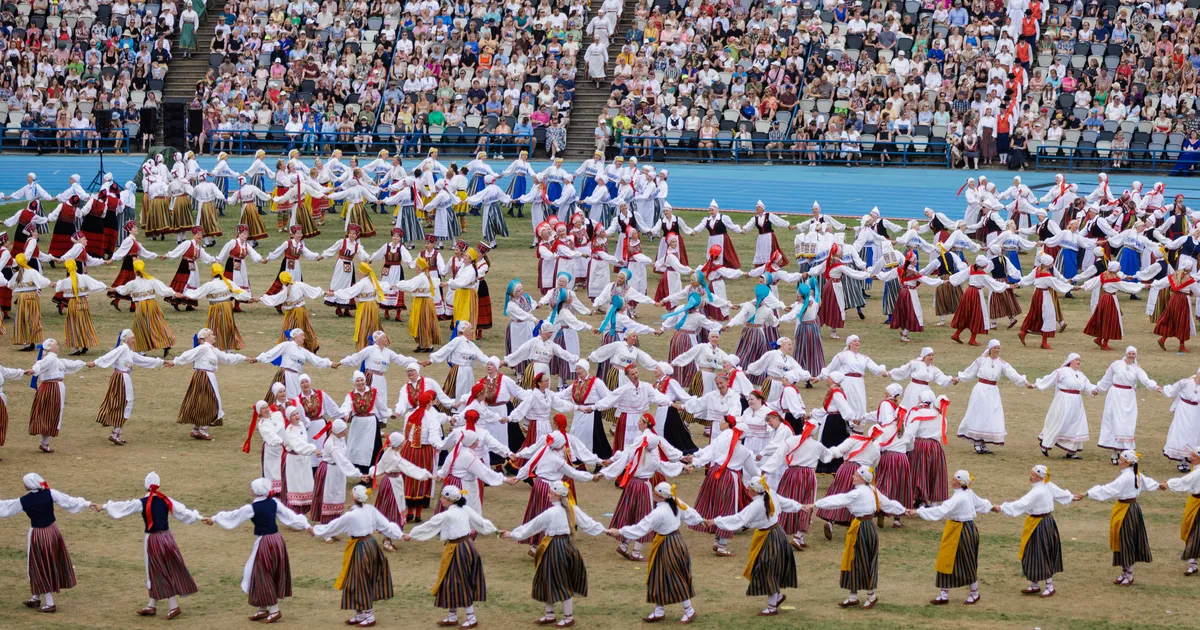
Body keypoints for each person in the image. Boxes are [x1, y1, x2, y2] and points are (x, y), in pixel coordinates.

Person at [204, 478, 312, 623]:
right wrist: (306, 526)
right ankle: (262, 608)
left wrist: (214, 518)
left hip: (266, 542)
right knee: (262, 572)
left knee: (263, 574)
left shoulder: (252, 508)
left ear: (255, 491)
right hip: (277, 540)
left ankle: (274, 610)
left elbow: (233, 516)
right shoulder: (273, 502)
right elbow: (290, 516)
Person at [499, 479, 605, 627]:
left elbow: (531, 527)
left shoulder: (552, 512)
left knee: (559, 581)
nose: (548, 495)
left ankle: (568, 617)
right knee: (547, 578)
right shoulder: (571, 509)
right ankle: (550, 615)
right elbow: (588, 523)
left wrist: (511, 534)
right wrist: (605, 530)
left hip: (554, 547)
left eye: (550, 493)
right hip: (564, 546)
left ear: (557, 496)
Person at [100, 472, 203, 619]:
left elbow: (124, 507)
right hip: (168, 538)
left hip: (153, 540)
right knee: (161, 568)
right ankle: (151, 605)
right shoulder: (165, 500)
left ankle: (173, 606)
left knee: (159, 570)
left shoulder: (142, 502)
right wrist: (199, 517)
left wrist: (104, 506)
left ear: (146, 485)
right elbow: (182, 512)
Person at [807, 465, 906, 609]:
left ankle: (871, 596)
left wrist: (815, 504)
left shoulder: (859, 493)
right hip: (863, 526)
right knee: (853, 559)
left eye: (855, 475)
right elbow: (888, 504)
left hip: (862, 527)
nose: (852, 477)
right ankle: (853, 596)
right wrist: (904, 510)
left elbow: (838, 500)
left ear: (862, 479)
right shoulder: (872, 490)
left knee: (863, 559)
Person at [701, 475, 801, 617]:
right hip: (776, 533)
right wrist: (799, 506)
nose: (747, 489)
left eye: (749, 488)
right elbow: (785, 502)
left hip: (770, 537)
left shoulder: (757, 504)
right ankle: (776, 597)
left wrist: (715, 521)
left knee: (767, 570)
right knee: (768, 568)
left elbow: (739, 519)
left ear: (754, 490)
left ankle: (772, 606)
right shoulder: (769, 493)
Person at [0, 472, 96, 613]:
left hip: (39, 535)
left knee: (40, 565)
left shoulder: (25, 500)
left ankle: (49, 602)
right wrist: (87, 503)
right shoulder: (50, 493)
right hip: (53, 532)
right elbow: (68, 501)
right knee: (44, 563)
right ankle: (35, 597)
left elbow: (7, 507)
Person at [605, 481, 701, 623]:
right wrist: (701, 520)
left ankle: (689, 610)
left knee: (675, 576)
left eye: (655, 493)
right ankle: (659, 610)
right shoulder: (674, 502)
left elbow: (640, 528)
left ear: (661, 497)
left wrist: (619, 531)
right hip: (674, 542)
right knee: (658, 575)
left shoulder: (658, 513)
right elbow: (690, 512)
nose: (652, 494)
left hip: (668, 544)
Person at [310, 485, 405, 627]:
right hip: (371, 544)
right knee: (355, 579)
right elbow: (385, 525)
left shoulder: (351, 515)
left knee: (361, 580)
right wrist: (400, 534)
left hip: (360, 547)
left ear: (354, 497)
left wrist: (315, 530)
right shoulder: (370, 509)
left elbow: (333, 526)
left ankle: (369, 615)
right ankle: (360, 614)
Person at [407, 485, 498, 630]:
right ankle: (452, 615)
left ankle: (471, 617)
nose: (441, 500)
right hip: (465, 546)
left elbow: (429, 526)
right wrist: (494, 529)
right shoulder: (464, 509)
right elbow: (480, 522)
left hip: (458, 549)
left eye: (443, 497)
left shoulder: (447, 515)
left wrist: (410, 535)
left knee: (460, 581)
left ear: (450, 500)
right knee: (450, 581)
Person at [1073, 451, 1159, 586]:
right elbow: (1148, 482)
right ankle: (1125, 572)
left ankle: (1129, 574)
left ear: (1128, 463)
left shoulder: (1126, 477)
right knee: (1122, 539)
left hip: (1127, 511)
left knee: (1126, 540)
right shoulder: (1134, 473)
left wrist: (1087, 493)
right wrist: (1160, 485)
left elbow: (1109, 489)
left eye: (1121, 460)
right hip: (1127, 509)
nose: (1119, 462)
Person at [908, 469, 993, 605]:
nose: (951, 481)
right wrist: (991, 507)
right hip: (955, 529)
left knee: (966, 561)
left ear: (960, 483)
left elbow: (941, 510)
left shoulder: (960, 497)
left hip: (963, 530)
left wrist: (918, 512)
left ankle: (974, 593)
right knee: (945, 558)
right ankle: (944, 594)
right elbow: (981, 503)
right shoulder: (966, 493)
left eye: (954, 479)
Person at [993, 465, 1074, 598]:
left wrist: (1002, 507)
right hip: (1039, 522)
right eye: (1030, 473)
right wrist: (1070, 497)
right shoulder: (1046, 485)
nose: (1030, 476)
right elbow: (1061, 494)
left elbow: (1021, 504)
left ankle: (1049, 586)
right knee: (1030, 552)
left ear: (1040, 477)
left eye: (1033, 475)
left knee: (1042, 553)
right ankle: (1035, 584)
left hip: (1040, 524)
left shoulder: (1038, 491)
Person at [685, 415, 761, 556]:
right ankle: (721, 545)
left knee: (715, 505)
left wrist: (694, 463)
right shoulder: (745, 452)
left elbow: (709, 455)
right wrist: (763, 477)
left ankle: (717, 540)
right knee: (728, 510)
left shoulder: (721, 441)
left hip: (714, 474)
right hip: (729, 478)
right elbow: (752, 471)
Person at [172, 328, 253, 440]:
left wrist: (244, 358)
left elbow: (227, 358)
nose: (214, 336)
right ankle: (202, 430)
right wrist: (175, 362)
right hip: (204, 377)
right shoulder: (204, 348)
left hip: (207, 376)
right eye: (212, 335)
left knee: (202, 403)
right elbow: (188, 355)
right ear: (204, 338)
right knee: (211, 402)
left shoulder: (212, 350)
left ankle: (196, 430)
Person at [93, 329, 169, 445]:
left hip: (124, 377)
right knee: (125, 403)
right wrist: (95, 362)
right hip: (121, 378)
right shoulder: (122, 349)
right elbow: (108, 356)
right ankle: (115, 432)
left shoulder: (128, 351)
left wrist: (161, 362)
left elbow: (143, 360)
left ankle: (117, 433)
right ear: (127, 339)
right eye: (132, 338)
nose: (134, 340)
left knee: (125, 403)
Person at [955, 340, 1029, 454]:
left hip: (993, 392)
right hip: (981, 390)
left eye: (999, 348)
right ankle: (977, 442)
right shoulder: (981, 360)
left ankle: (983, 441)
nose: (997, 350)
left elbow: (1012, 374)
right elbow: (970, 372)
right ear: (990, 349)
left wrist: (1025, 382)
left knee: (991, 415)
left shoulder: (1002, 363)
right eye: (995, 348)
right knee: (978, 413)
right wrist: (958, 378)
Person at [1094, 348, 1160, 464]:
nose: (1131, 355)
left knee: (1127, 424)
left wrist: (1154, 386)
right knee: (1114, 422)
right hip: (1115, 396)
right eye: (1129, 353)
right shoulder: (1116, 364)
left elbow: (1145, 380)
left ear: (1136, 355)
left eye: (1133, 354)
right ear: (1126, 354)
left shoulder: (1137, 369)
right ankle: (1114, 452)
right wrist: (1098, 389)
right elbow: (1107, 378)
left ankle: (1125, 453)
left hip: (1128, 398)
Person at [28, 339, 93, 453]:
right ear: (51, 347)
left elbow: (70, 363)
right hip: (51, 388)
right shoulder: (50, 358)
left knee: (51, 414)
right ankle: (44, 443)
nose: (58, 346)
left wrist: (85, 363)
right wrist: (34, 370)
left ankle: (44, 443)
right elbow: (40, 364)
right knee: (51, 413)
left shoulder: (56, 360)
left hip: (53, 387)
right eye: (56, 345)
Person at [1034, 353, 1098, 458]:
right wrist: (1036, 384)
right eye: (1076, 360)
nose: (1078, 362)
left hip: (1077, 402)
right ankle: (1045, 444)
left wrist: (1094, 390)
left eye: (1080, 360)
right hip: (1064, 399)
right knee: (1059, 422)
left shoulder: (1081, 375)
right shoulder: (1062, 371)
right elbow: (1049, 379)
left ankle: (1071, 451)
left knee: (1076, 424)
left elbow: (1088, 386)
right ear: (1070, 361)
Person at [113, 260, 179, 357]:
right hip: (153, 305)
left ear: (134, 270)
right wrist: (173, 293)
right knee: (157, 325)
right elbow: (163, 290)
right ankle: (165, 344)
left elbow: (123, 291)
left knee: (139, 327)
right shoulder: (151, 280)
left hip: (141, 306)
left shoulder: (133, 283)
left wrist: (115, 288)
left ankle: (141, 350)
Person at [185, 263, 255, 351]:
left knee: (214, 327)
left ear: (212, 273)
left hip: (216, 308)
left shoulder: (210, 285)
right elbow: (239, 291)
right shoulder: (227, 282)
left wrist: (184, 293)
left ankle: (217, 348)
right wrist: (249, 298)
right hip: (227, 307)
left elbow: (197, 293)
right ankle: (227, 348)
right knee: (228, 327)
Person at [905, 391, 952, 508]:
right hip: (935, 447)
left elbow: (912, 431)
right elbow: (942, 433)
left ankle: (920, 500)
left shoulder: (921, 413)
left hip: (920, 445)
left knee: (919, 472)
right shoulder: (943, 418)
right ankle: (934, 502)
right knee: (935, 473)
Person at [53, 258, 104, 356]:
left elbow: (58, 288)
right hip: (83, 302)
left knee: (72, 326)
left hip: (72, 303)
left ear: (67, 269)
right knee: (85, 324)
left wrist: (57, 282)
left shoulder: (65, 281)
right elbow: (95, 285)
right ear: (76, 267)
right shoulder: (84, 277)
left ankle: (76, 348)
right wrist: (105, 286)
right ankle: (85, 344)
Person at [1166, 448, 1200, 574]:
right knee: (1192, 531)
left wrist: (1167, 484)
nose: (1191, 458)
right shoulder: (1196, 469)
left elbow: (1184, 482)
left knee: (1194, 532)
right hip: (1194, 502)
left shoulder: (1197, 472)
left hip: (1198, 504)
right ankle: (1193, 563)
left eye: (1194, 456)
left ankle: (1193, 563)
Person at [7, 252, 51, 351]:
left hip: (23, 297)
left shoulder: (17, 274)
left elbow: (10, 285)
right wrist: (50, 283)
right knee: (34, 319)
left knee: (24, 320)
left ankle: (27, 342)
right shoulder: (32, 272)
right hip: (33, 296)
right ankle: (32, 341)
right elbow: (42, 281)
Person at [1161, 369, 1200, 472]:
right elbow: (1172, 390)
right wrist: (1162, 389)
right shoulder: (1185, 382)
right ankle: (1180, 460)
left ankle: (1186, 460)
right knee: (1182, 432)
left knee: (1193, 434)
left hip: (1196, 411)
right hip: (1183, 409)